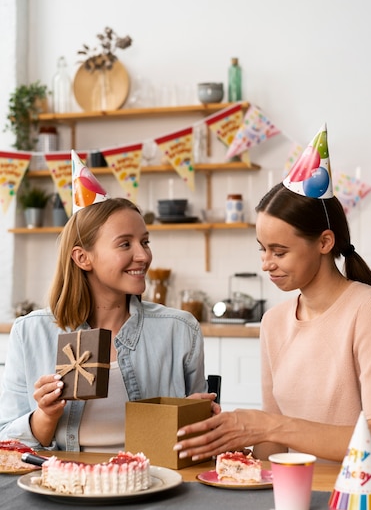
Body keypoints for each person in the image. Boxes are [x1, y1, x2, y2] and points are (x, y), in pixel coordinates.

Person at [174, 125, 371, 470]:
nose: (266, 264)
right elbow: (273, 446)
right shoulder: (274, 322)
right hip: (293, 491)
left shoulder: (370, 310)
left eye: (279, 251)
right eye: (262, 249)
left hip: (359, 500)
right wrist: (229, 435)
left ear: (324, 242)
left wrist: (269, 424)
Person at [0, 156, 219, 452]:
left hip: (153, 482)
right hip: (63, 485)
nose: (143, 256)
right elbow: (8, 444)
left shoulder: (179, 330)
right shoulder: (30, 332)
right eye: (125, 244)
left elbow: (200, 441)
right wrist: (45, 415)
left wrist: (196, 418)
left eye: (145, 242)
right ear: (82, 258)